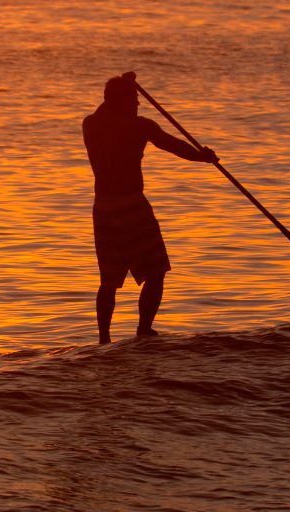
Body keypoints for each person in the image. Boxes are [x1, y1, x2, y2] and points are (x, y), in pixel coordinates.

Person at [82, 72, 217, 344]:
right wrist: (202, 157)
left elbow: (106, 107)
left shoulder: (91, 125)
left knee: (109, 280)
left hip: (103, 210)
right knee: (156, 272)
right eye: (133, 101)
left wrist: (123, 84)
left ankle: (104, 340)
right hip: (132, 207)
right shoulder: (140, 127)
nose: (137, 105)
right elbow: (173, 145)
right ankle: (144, 330)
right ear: (120, 102)